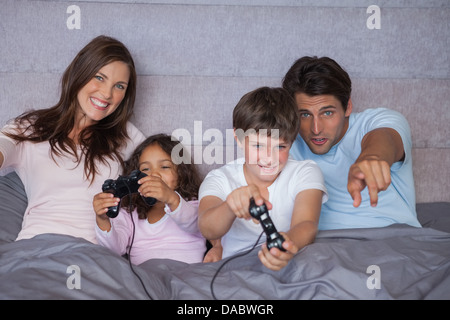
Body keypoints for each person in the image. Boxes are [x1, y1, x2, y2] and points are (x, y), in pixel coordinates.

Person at [0, 35, 145, 243]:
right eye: (99, 77)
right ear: (80, 73)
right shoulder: (30, 127)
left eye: (119, 86)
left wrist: (211, 243)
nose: (106, 94)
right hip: (35, 248)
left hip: (94, 255)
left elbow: (168, 179)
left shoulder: (126, 135)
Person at [282, 56, 421, 230]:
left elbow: (384, 138)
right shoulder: (284, 141)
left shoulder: (379, 120)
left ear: (347, 107)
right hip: (318, 246)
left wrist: (372, 158)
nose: (316, 129)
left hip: (391, 236)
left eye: (327, 113)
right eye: (305, 115)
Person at [198, 87, 328, 271]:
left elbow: (306, 224)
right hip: (236, 271)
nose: (269, 158)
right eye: (258, 145)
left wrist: (286, 245)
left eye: (280, 147)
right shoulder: (220, 179)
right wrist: (230, 206)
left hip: (289, 266)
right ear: (239, 138)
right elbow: (207, 228)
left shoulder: (305, 172)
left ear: (292, 141)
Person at [94, 134, 207, 265]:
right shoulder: (131, 212)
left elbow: (196, 224)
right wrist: (103, 220)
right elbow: (114, 250)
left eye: (165, 167)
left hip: (184, 275)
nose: (154, 174)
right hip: (144, 278)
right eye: (145, 169)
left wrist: (171, 198)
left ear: (182, 173)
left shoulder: (194, 204)